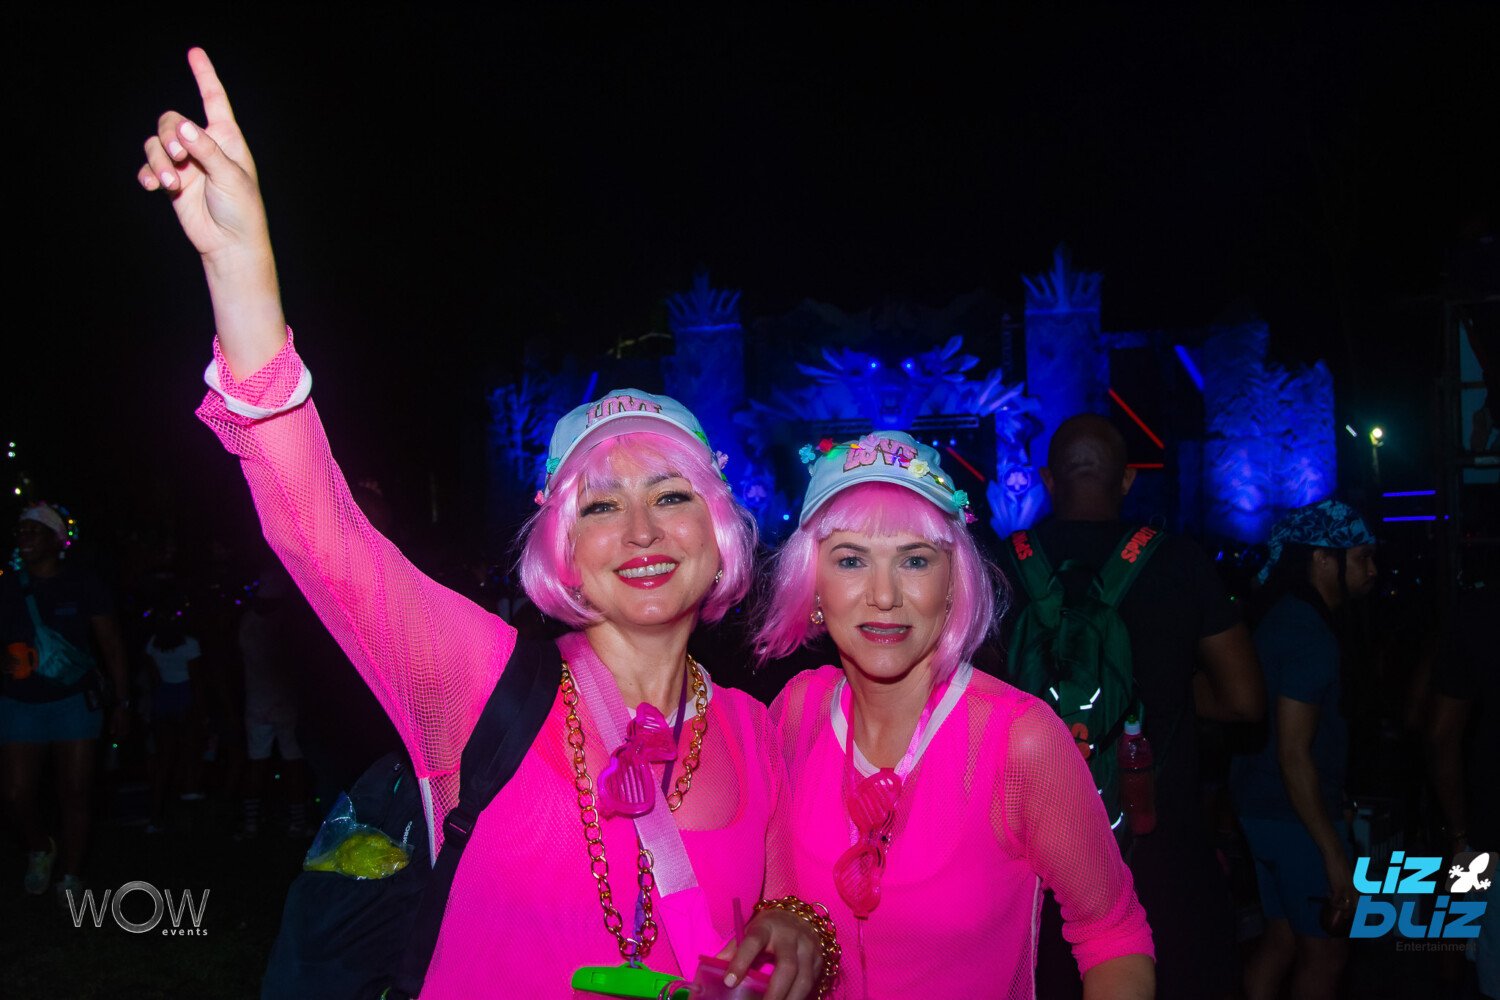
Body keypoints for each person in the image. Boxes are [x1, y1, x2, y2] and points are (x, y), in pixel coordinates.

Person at [138, 48, 827, 998]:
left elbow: (788, 908)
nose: (641, 531)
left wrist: (789, 935)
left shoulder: (756, 731)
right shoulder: (479, 683)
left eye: (673, 496)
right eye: (600, 505)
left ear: (722, 537)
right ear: (563, 555)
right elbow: (319, 531)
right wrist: (242, 275)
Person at [756, 431, 1155, 999]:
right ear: (813, 584)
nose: (884, 596)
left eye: (915, 560)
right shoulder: (797, 711)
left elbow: (1112, 934)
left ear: (952, 583)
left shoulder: (1019, 739)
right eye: (851, 560)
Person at [1014, 414, 1263, 1000]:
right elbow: (1245, 700)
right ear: (1127, 479)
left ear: (1048, 480)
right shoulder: (1180, 561)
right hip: (1155, 848)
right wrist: (1154, 691)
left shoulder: (999, 564)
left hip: (1031, 865)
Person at [1231, 499, 1378, 1000]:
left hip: (1259, 808)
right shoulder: (1308, 632)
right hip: (1294, 817)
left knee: (1282, 942)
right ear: (1321, 558)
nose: (1373, 571)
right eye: (1362, 557)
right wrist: (1334, 854)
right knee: (1327, 954)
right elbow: (1294, 755)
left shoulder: (1281, 616)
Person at [0, 503, 129, 898]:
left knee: (75, 791)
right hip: (20, 701)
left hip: (74, 700)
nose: (24, 538)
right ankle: (40, 848)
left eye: (33, 531)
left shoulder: (83, 583)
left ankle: (71, 875)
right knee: (16, 792)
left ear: (56, 540)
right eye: (20, 531)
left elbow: (111, 644)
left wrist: (123, 703)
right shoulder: (7, 585)